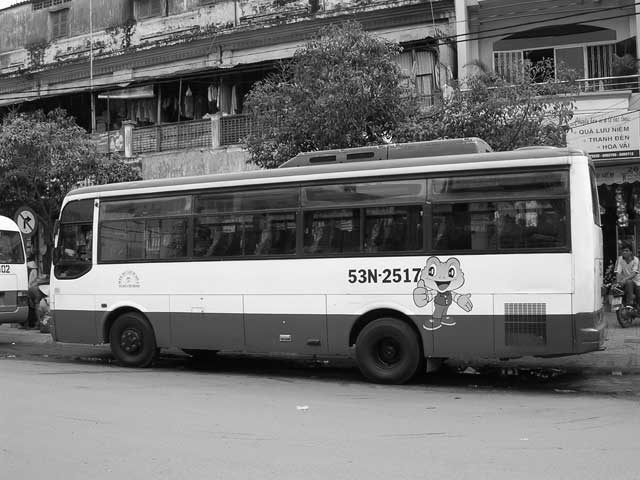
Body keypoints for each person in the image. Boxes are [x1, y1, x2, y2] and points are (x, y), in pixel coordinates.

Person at [614, 242, 640, 307]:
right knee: (616, 289)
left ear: (631, 252)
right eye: (623, 251)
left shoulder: (636, 260)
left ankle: (633, 304)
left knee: (630, 283)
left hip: (637, 282)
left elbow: (634, 273)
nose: (624, 252)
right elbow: (618, 272)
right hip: (625, 282)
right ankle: (628, 305)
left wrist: (624, 279)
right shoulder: (619, 259)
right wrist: (618, 282)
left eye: (627, 251)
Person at [26, 254, 41, 328]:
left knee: (34, 307)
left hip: (32, 288)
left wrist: (30, 284)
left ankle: (37, 323)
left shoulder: (33, 271)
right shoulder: (34, 270)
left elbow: (32, 279)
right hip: (33, 288)